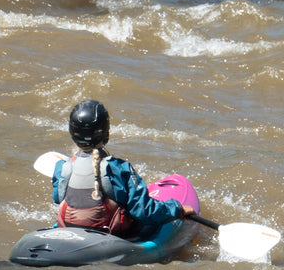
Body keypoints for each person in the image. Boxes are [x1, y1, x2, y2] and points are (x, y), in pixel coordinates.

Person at [51, 99, 184, 239]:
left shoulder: (61, 168)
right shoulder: (119, 168)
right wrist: (177, 209)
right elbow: (144, 211)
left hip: (71, 232)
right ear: (106, 135)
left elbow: (57, 198)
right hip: (111, 236)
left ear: (73, 134)